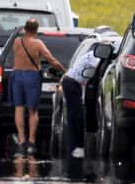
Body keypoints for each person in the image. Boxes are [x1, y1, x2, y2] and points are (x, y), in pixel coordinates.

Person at [8, 19, 66, 155]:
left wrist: (24, 32)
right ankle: (32, 142)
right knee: (33, 110)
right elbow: (51, 60)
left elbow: (21, 42)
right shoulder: (38, 43)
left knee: (19, 107)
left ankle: (21, 139)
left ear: (25, 28)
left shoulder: (17, 42)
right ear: (36, 30)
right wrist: (64, 70)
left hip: (17, 75)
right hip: (32, 76)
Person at [61, 40, 106, 158]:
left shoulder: (91, 55)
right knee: (78, 116)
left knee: (73, 116)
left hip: (71, 82)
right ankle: (78, 146)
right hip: (72, 83)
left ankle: (73, 146)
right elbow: (99, 69)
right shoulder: (94, 56)